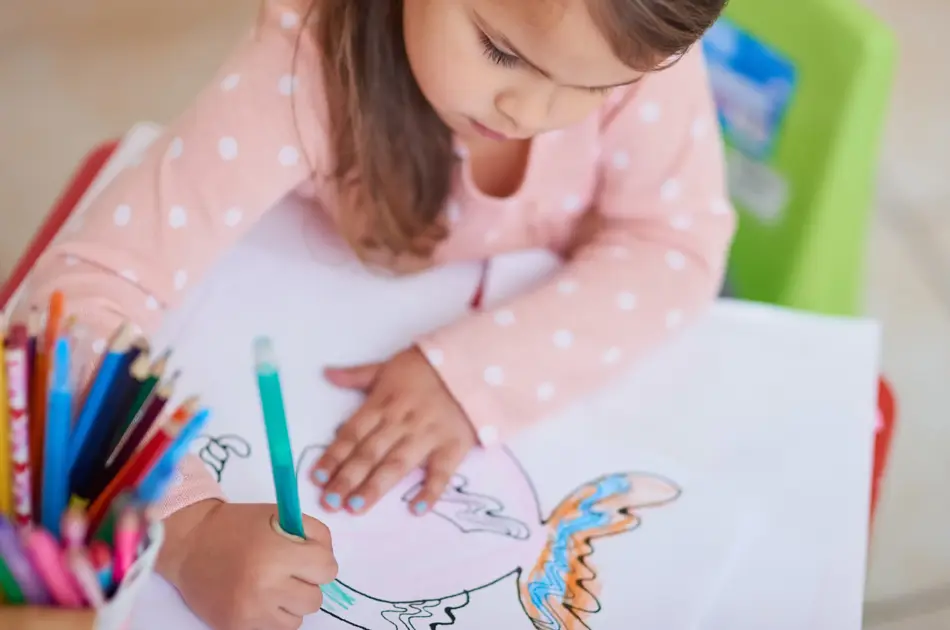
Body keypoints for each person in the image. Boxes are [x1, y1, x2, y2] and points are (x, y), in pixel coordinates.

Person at [24, 0, 734, 627]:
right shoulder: (304, 62)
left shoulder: (637, 37)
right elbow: (73, 304)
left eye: (595, 87)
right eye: (501, 51)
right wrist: (183, 528)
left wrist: (476, 374)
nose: (532, 113)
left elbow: (675, 244)